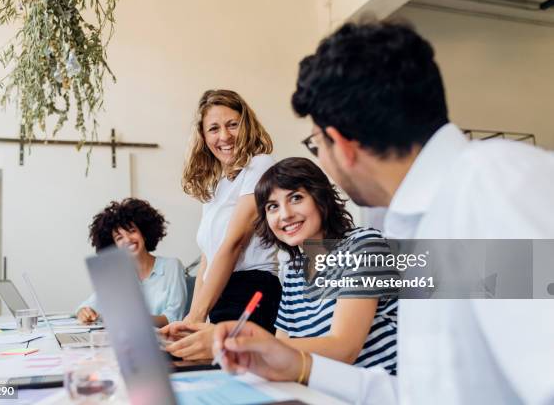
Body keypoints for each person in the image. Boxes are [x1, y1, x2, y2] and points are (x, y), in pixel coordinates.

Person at [212, 20, 554, 404]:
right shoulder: (421, 218)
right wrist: (299, 366)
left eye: (315, 143)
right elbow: (427, 393)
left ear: (341, 143)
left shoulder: (491, 185)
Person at [164, 157, 398, 374]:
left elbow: (344, 348)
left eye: (296, 198)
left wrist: (238, 342)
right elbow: (283, 348)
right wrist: (214, 345)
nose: (284, 215)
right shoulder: (295, 270)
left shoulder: (363, 245)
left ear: (321, 198)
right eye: (272, 206)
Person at [179, 89, 281, 331]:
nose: (224, 136)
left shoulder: (259, 165)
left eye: (232, 124)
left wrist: (196, 317)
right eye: (214, 129)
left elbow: (234, 243)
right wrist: (192, 317)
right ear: (203, 137)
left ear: (247, 126)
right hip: (221, 294)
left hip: (251, 289)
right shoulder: (217, 184)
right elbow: (208, 257)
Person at [76, 198, 187, 327]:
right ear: (114, 246)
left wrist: (139, 320)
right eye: (119, 237)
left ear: (144, 233)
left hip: (168, 342)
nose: (127, 240)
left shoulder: (172, 266)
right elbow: (89, 305)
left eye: (132, 231)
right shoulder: (117, 276)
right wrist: (84, 312)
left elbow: (175, 317)